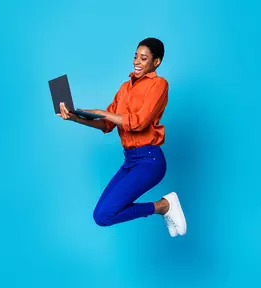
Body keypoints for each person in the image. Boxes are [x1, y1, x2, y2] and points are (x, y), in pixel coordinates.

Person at [57, 37, 186, 237]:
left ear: (156, 62)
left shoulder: (159, 85)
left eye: (144, 58)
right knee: (102, 216)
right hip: (130, 161)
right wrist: (75, 118)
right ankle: (163, 206)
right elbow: (106, 124)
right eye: (135, 57)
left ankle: (165, 205)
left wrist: (104, 112)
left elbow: (140, 121)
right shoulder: (124, 88)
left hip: (150, 160)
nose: (137, 62)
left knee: (107, 213)